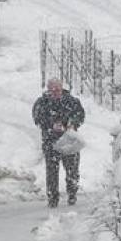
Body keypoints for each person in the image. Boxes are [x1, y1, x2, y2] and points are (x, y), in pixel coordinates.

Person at [32, 78, 86, 207]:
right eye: (52, 90)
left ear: (62, 88)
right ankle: (52, 198)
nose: (54, 92)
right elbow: (37, 118)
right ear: (48, 89)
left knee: (72, 169)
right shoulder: (42, 103)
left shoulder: (72, 101)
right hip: (50, 142)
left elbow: (80, 115)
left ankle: (72, 194)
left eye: (57, 89)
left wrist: (72, 123)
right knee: (51, 171)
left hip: (69, 141)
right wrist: (51, 125)